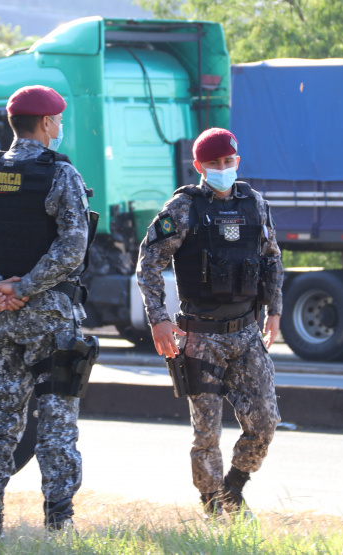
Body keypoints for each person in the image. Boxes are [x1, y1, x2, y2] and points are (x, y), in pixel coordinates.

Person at [0, 85, 95, 536]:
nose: (60, 126)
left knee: (0, 418)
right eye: (59, 120)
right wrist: (26, 287)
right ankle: (59, 523)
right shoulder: (60, 174)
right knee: (56, 424)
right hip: (51, 319)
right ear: (47, 123)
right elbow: (72, 248)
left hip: (1, 321)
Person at [136, 128, 283, 517]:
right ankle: (213, 503)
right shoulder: (183, 208)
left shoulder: (255, 204)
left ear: (238, 161)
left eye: (228, 161)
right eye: (214, 163)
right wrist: (158, 319)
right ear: (199, 166)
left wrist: (274, 310)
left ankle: (234, 486)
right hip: (200, 336)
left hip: (246, 332)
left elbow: (271, 257)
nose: (222, 168)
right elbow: (148, 263)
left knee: (265, 421)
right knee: (206, 434)